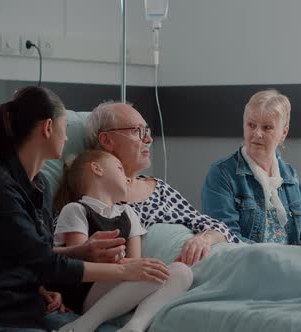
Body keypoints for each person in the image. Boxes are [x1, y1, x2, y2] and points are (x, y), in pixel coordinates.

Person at [0, 87, 170, 332]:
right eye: (65, 129)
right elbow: (46, 264)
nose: (67, 138)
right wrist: (125, 269)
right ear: (48, 128)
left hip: (32, 309)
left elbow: (32, 253)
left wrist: (79, 253)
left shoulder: (40, 185)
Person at [82, 102, 241, 266]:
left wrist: (203, 239)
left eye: (147, 130)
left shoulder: (161, 190)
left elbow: (218, 228)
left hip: (217, 257)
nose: (149, 139)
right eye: (138, 131)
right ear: (107, 140)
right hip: (182, 275)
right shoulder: (91, 200)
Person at [53, 149, 193, 332]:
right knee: (148, 272)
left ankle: (135, 326)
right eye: (120, 169)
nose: (128, 178)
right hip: (85, 288)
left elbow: (135, 262)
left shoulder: (128, 213)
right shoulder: (76, 209)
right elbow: (78, 266)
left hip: (120, 283)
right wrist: (127, 268)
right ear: (96, 169)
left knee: (182, 272)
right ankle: (84, 324)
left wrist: (153, 268)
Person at [201, 90, 301, 252]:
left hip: (293, 268)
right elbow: (228, 239)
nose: (257, 134)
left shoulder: (290, 175)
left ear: (283, 133)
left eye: (267, 127)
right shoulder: (222, 174)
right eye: (251, 125)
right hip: (251, 269)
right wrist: (284, 260)